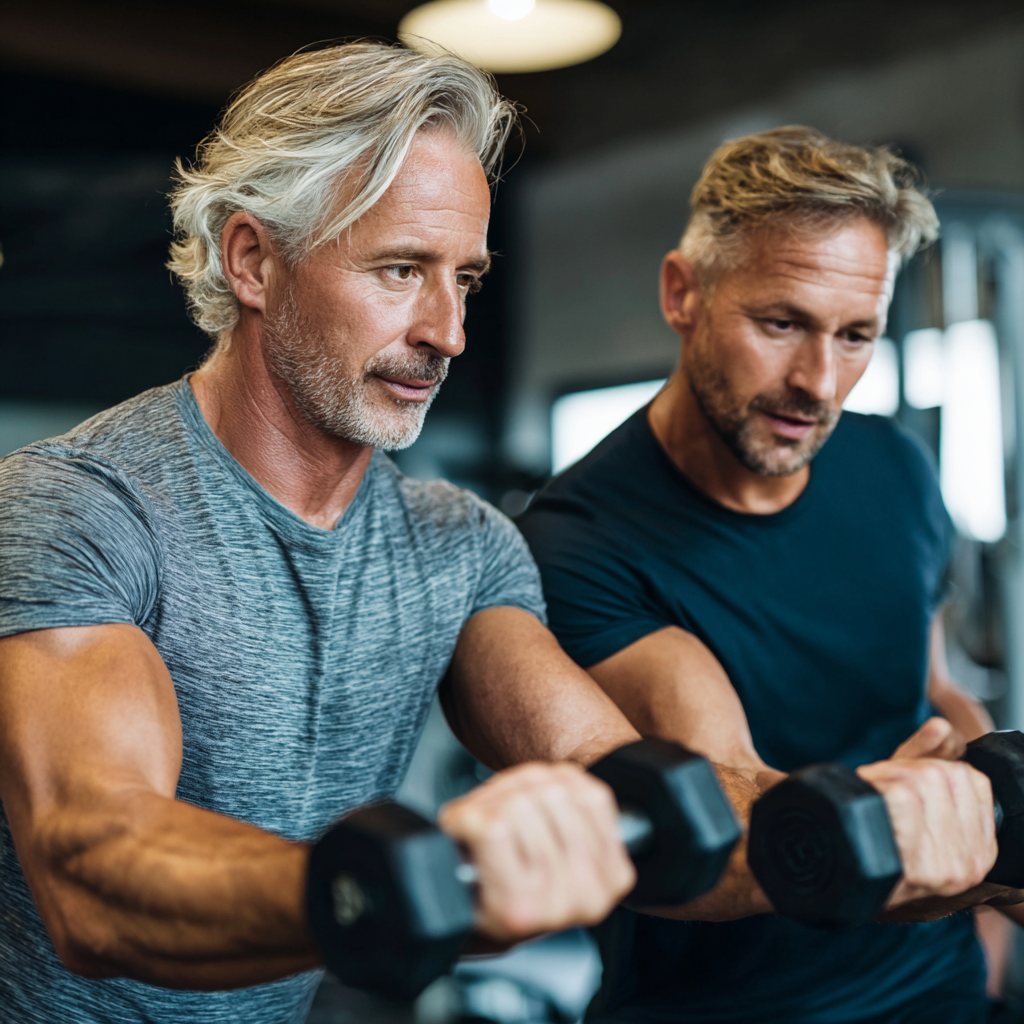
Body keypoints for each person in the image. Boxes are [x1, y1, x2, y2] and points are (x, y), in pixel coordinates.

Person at [0, 51, 1000, 1024]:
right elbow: (94, 871)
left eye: (465, 279)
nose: (448, 332)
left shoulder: (457, 545)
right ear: (254, 260)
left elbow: (651, 804)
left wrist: (900, 834)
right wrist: (423, 880)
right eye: (401, 270)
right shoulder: (77, 508)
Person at [519, 127, 1020, 1024]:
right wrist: (970, 875)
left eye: (857, 334)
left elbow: (937, 690)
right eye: (781, 323)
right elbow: (739, 801)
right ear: (684, 292)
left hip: (938, 986)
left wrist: (990, 892)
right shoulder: (580, 540)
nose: (820, 382)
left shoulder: (896, 469)